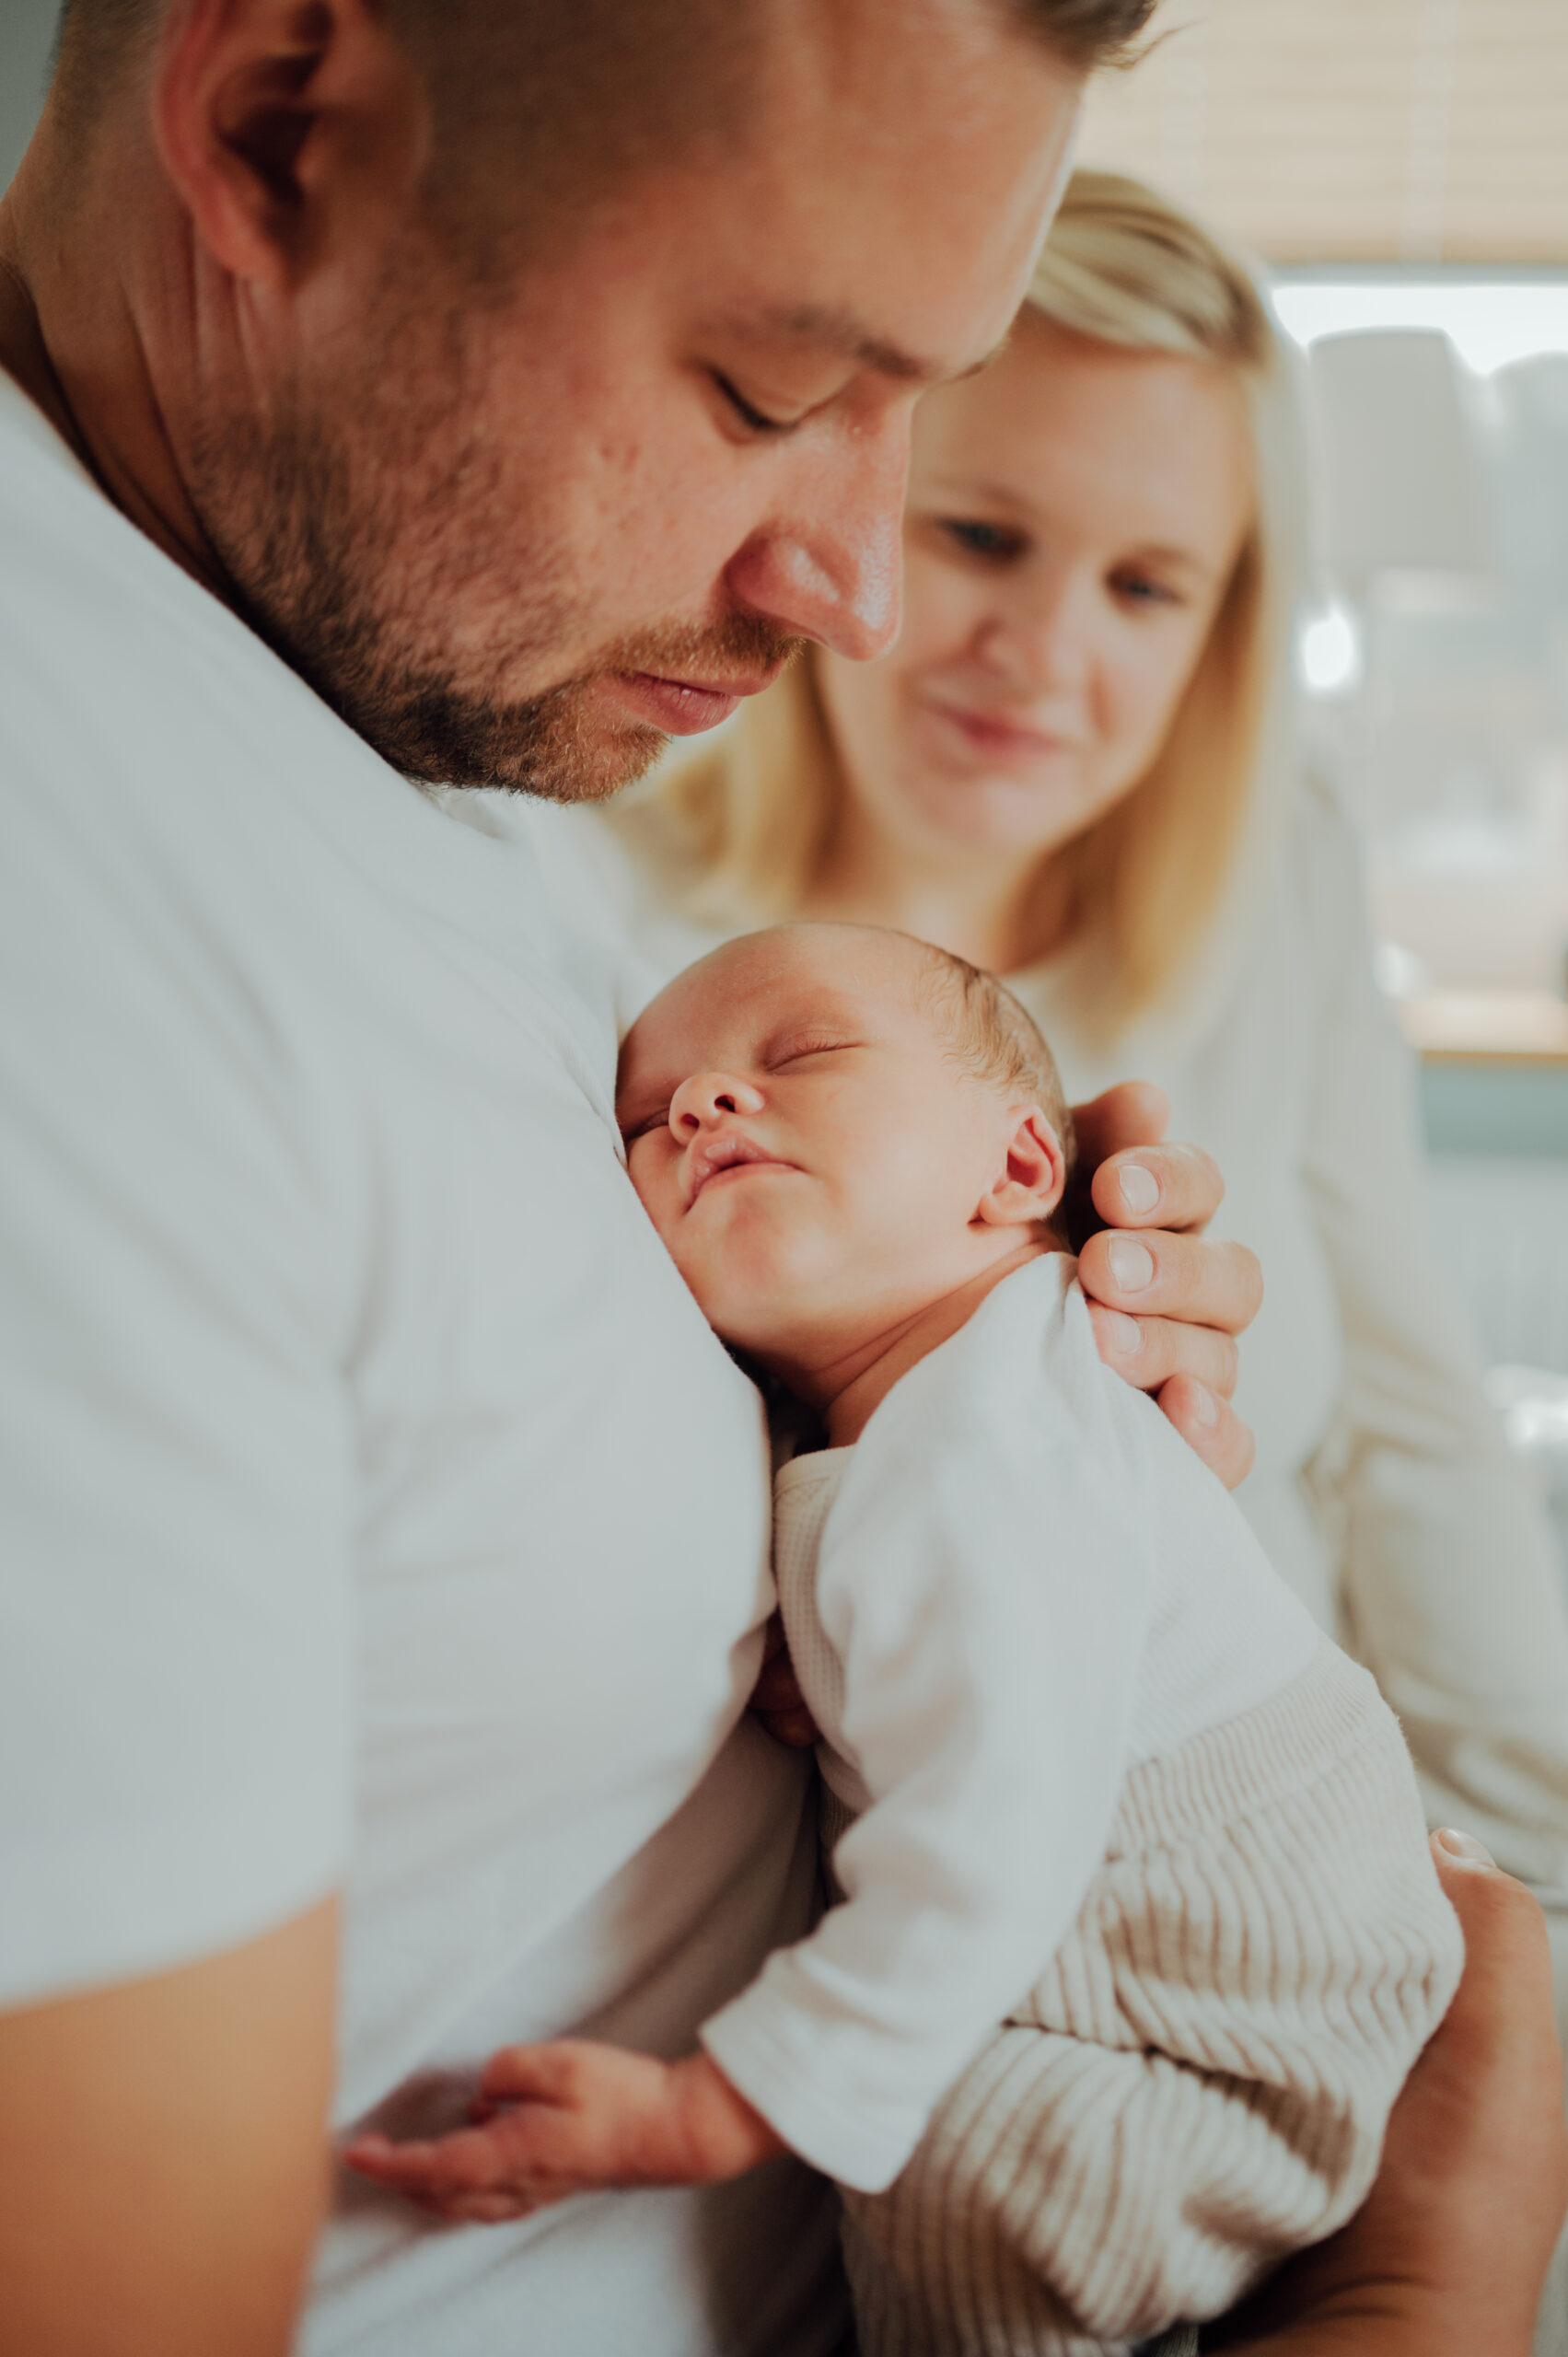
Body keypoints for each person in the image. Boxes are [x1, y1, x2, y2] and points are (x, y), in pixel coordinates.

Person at [0, 2, 1559, 2347]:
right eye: (765, 388)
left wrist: (962, 1405)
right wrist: (1418, 2302)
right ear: (271, 125)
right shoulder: (102, 912)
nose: (864, 588)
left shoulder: (394, 709)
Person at [529, 168, 1568, 1897]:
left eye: (1149, 587)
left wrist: (1522, 1881)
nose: (1042, 655)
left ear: (1221, 633)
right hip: (949, 1888)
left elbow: (1410, 1424)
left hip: (1321, 1827)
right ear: (857, 516)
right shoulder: (602, 924)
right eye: (985, 536)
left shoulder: (1278, 864)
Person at [346, 922, 1464, 2357]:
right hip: (1144, 1963)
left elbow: (995, 1825)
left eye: (799, 1056)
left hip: (1209, 1993)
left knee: (971, 2187)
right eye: (646, 1120)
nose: (699, 1107)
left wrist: (711, 2109)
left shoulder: (991, 1436)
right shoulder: (911, 1421)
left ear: (1015, 1169)